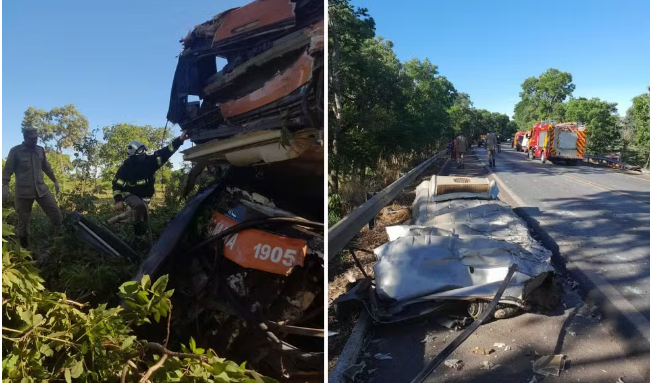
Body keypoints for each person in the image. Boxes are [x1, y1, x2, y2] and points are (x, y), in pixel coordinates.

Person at [112, 131, 188, 245]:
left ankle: (139, 239)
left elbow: (166, 152)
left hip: (145, 197)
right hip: (128, 194)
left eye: (143, 152)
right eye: (139, 154)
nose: (143, 156)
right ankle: (137, 237)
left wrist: (179, 140)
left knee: (144, 221)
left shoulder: (150, 162)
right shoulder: (125, 168)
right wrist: (118, 200)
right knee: (139, 206)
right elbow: (116, 184)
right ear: (132, 156)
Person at [2, 128, 63, 248]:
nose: (35, 140)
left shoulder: (40, 150)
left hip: (41, 189)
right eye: (32, 138)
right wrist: (4, 186)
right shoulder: (15, 151)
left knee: (55, 212)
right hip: (23, 192)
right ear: (25, 138)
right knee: (23, 221)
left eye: (36, 138)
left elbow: (46, 167)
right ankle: (25, 249)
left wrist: (55, 181)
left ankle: (60, 240)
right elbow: (7, 170)